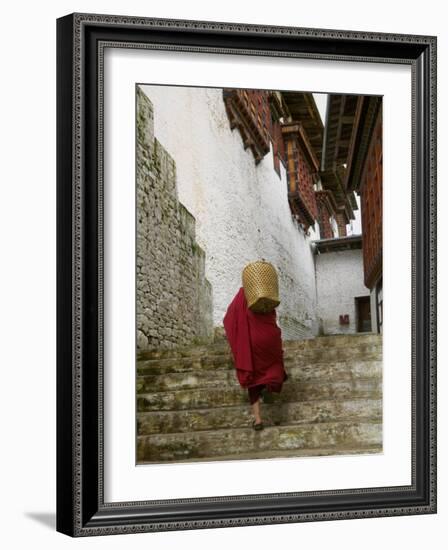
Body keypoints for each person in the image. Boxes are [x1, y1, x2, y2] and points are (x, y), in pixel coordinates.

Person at [223, 286, 288, 430]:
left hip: (252, 341)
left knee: (253, 379)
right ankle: (270, 386)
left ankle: (258, 420)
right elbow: (273, 315)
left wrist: (235, 339)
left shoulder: (243, 293)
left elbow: (229, 318)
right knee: (274, 364)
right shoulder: (266, 294)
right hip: (269, 337)